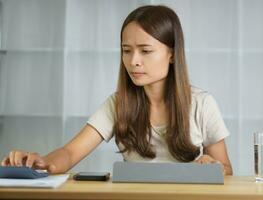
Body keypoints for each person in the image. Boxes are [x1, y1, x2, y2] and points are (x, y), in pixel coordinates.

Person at [1, 5, 233, 175]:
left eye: (145, 50)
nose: (133, 61)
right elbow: (70, 153)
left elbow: (226, 170)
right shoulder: (118, 103)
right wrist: (39, 163)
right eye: (127, 50)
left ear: (172, 54)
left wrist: (212, 166)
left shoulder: (202, 103)